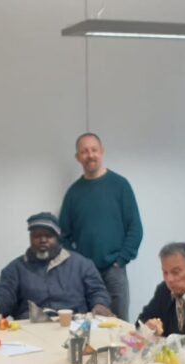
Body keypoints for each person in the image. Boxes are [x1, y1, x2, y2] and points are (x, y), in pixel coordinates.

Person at [59, 133, 143, 321]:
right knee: (87, 326)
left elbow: (135, 228)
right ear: (78, 157)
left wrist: (120, 260)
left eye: (94, 150)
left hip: (115, 271)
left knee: (119, 326)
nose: (90, 155)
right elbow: (62, 237)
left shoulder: (120, 185)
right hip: (85, 275)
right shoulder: (73, 193)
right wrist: (78, 264)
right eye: (84, 151)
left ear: (102, 152)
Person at [0, 212, 113, 321]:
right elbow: (4, 292)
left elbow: (97, 291)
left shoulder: (82, 264)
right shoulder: (15, 268)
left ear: (58, 237)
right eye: (37, 236)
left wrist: (100, 304)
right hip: (31, 329)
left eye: (48, 236)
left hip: (73, 325)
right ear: (30, 238)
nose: (43, 240)